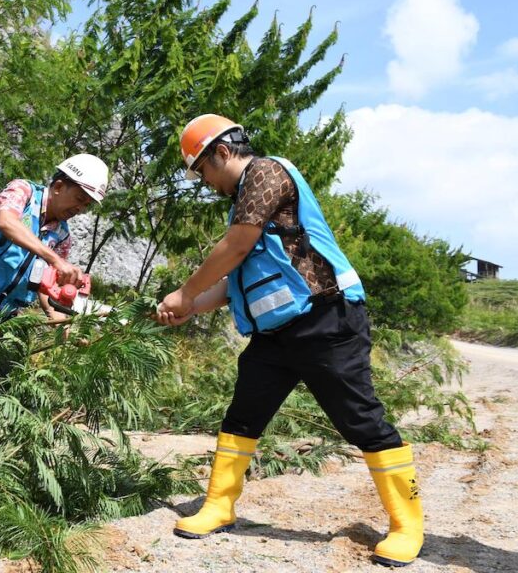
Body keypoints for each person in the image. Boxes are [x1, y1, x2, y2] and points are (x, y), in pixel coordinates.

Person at [153, 114, 423, 567]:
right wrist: (191, 306)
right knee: (243, 416)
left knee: (360, 420)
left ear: (221, 152)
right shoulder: (243, 202)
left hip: (327, 318)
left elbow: (236, 248)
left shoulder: (266, 173)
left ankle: (406, 524)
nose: (205, 183)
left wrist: (185, 290)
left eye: (202, 171)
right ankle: (219, 506)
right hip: (274, 334)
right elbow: (239, 278)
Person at [0, 154, 109, 336]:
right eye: (79, 199)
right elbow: (6, 222)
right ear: (58, 186)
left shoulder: (62, 237)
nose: (80, 209)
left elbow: (48, 288)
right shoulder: (23, 192)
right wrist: (55, 259)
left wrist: (61, 327)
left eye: (87, 205)